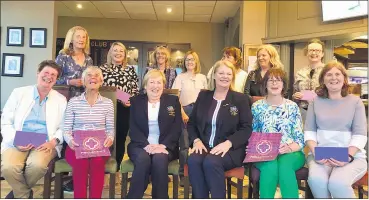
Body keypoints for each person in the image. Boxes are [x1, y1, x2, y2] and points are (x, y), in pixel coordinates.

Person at [1, 60, 67, 198]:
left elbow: (64, 126)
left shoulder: (60, 99)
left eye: (53, 75)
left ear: (56, 79)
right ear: (38, 73)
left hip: (45, 141)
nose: (49, 76)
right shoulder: (19, 93)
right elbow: (6, 122)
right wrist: (15, 140)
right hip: (18, 138)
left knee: (37, 166)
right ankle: (24, 195)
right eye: (46, 72)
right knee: (8, 167)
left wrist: (53, 142)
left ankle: (16, 194)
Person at [187, 60, 252, 198]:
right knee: (193, 160)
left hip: (230, 149)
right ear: (214, 75)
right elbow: (191, 123)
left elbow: (246, 128)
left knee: (211, 161)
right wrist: (196, 140)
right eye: (221, 73)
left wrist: (228, 143)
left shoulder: (240, 99)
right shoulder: (203, 96)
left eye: (229, 74)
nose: (225, 76)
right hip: (204, 146)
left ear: (232, 77)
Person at [304, 61, 367, 198]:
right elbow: (309, 132)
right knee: (316, 181)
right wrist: (316, 154)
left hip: (351, 156)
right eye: (329, 74)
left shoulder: (356, 102)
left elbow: (360, 135)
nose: (334, 78)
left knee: (337, 184)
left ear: (344, 79)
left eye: (338, 74)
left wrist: (348, 157)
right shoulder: (315, 102)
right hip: (320, 155)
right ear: (323, 80)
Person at [250, 68, 305, 198]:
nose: (274, 83)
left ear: (283, 85)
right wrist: (254, 148)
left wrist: (289, 148)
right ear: (265, 84)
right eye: (271, 80)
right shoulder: (257, 106)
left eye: (278, 80)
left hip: (291, 152)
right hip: (264, 152)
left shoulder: (292, 107)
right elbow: (253, 134)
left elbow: (300, 138)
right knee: (270, 166)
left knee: (285, 166)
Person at [127, 69, 182, 198]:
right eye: (152, 82)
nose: (155, 86)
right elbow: (133, 128)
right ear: (145, 85)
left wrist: (163, 145)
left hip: (165, 146)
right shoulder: (136, 101)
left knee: (159, 159)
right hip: (140, 145)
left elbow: (176, 127)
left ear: (164, 85)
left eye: (159, 82)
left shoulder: (173, 101)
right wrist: (146, 145)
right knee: (143, 159)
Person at [63, 66, 114, 198]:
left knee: (97, 162)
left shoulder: (108, 103)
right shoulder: (73, 102)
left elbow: (110, 129)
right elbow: (66, 129)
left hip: (100, 146)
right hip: (76, 145)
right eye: (89, 75)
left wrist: (110, 138)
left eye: (97, 75)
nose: (93, 77)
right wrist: (70, 140)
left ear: (101, 81)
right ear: (83, 81)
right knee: (81, 162)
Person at [100, 42, 139, 175]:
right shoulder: (102, 69)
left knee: (121, 138)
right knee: (107, 137)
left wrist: (130, 99)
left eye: (121, 51)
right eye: (115, 50)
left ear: (125, 54)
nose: (118, 53)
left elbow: (135, 89)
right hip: (107, 108)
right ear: (110, 53)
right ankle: (104, 168)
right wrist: (120, 95)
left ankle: (115, 169)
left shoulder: (130, 70)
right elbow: (101, 89)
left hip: (125, 110)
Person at [171, 50, 207, 185]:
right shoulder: (180, 77)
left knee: (200, 143)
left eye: (192, 59)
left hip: (200, 112)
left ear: (196, 61)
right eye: (187, 60)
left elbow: (206, 97)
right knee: (185, 145)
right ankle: (184, 175)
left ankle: (199, 174)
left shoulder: (202, 77)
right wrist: (182, 113)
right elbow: (175, 97)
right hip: (185, 111)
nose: (190, 62)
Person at [56, 26, 93, 98]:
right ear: (71, 39)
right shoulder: (63, 57)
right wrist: (69, 82)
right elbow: (53, 79)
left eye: (83, 37)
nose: (81, 39)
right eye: (78, 37)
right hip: (65, 98)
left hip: (84, 100)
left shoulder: (89, 60)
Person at [293, 38, 325, 121]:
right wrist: (295, 96)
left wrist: (307, 95)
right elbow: (295, 92)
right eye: (311, 50)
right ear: (307, 53)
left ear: (322, 54)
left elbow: (331, 93)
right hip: (303, 113)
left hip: (323, 112)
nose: (314, 53)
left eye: (317, 50)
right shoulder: (300, 73)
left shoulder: (328, 71)